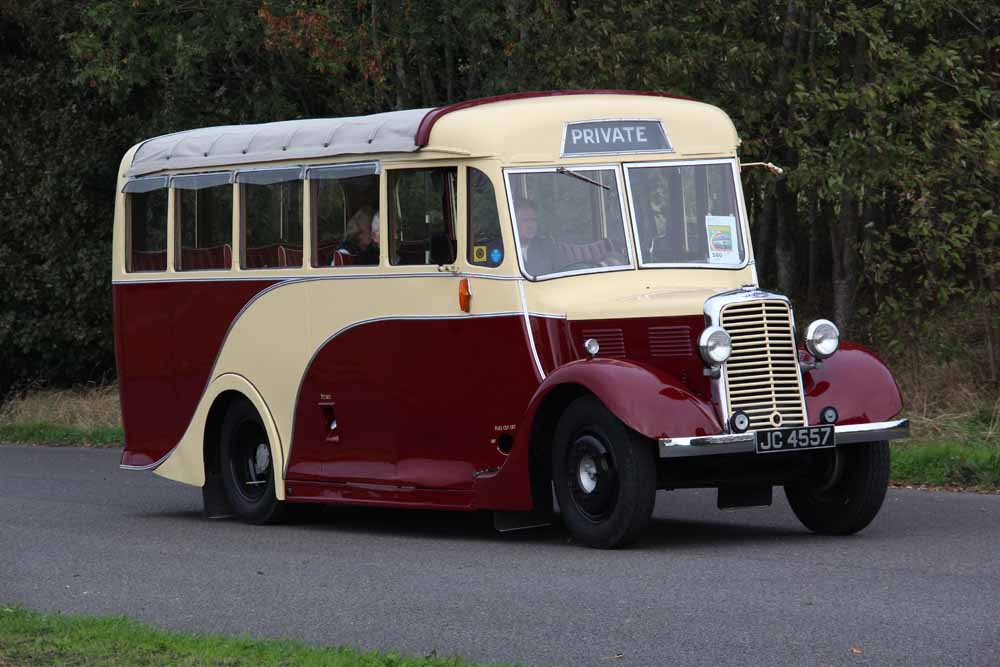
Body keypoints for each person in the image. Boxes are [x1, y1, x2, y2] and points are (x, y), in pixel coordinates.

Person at [514, 200, 556, 276]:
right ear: (513, 221)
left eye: (533, 220)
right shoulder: (503, 249)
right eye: (526, 220)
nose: (531, 226)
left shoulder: (546, 246)